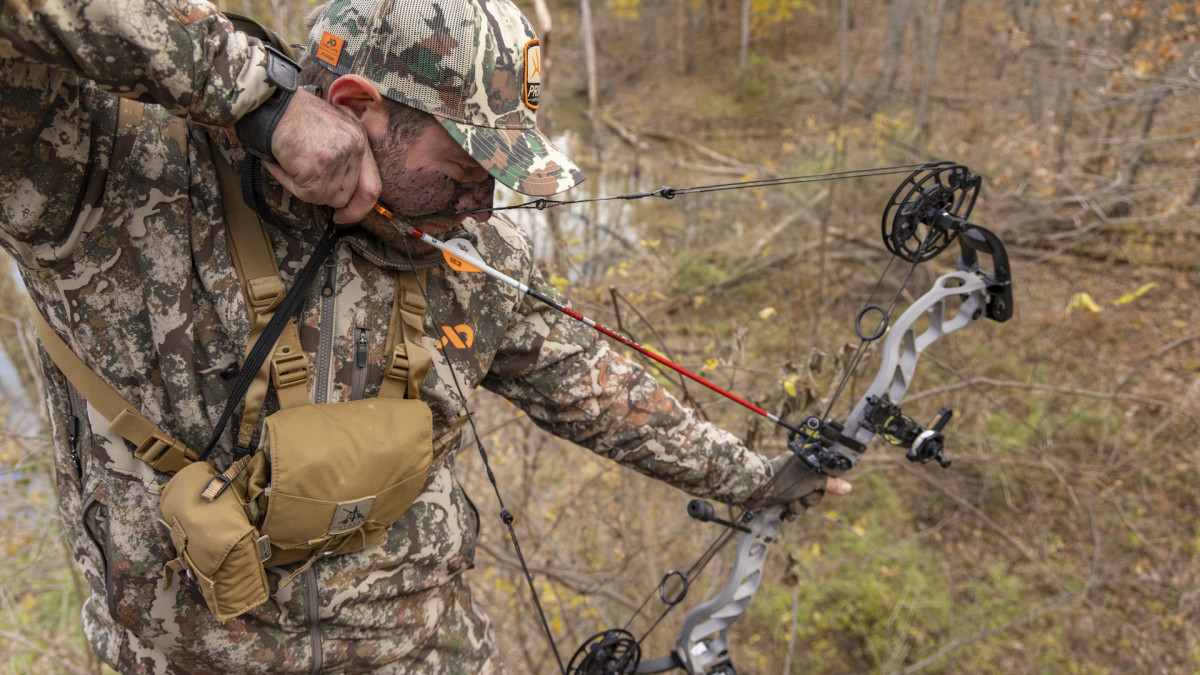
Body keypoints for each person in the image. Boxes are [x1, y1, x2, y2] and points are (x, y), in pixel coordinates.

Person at [0, 0, 851, 671]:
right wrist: (254, 97)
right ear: (358, 108)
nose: (484, 205)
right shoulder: (102, 170)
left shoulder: (470, 250)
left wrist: (763, 478)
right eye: (467, 173)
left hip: (427, 650)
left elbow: (587, 381)